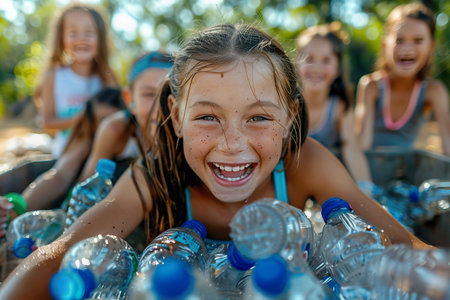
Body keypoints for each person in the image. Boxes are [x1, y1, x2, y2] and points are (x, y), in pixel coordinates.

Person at [0, 24, 432, 300]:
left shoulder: (304, 165)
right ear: (176, 116)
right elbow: (66, 250)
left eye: (259, 117)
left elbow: (400, 242)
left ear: (290, 118)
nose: (232, 144)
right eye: (208, 117)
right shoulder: (156, 177)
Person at [0, 87, 125, 231]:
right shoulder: (85, 143)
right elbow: (58, 176)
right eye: (98, 120)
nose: (103, 127)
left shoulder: (132, 145)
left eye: (109, 120)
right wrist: (17, 209)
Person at [354, 3, 450, 156]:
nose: (407, 49)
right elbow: (361, 147)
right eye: (399, 40)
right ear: (385, 45)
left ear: (431, 46)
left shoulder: (434, 91)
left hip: (405, 173)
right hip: (370, 171)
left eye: (418, 40)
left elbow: (448, 145)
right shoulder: (371, 86)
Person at [34, 3, 118, 158]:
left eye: (89, 32)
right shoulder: (53, 76)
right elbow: (47, 124)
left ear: (100, 37)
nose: (81, 39)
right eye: (73, 33)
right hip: (64, 155)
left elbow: (116, 117)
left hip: (101, 154)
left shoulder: (107, 77)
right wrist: (85, 117)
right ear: (62, 38)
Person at [77, 51, 173, 181]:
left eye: (169, 93)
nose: (159, 106)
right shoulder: (115, 129)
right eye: (149, 94)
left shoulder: (189, 134)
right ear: (129, 100)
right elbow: (87, 184)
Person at [295, 22, 372, 182]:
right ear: (297, 64)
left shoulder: (339, 106)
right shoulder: (288, 105)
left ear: (337, 68)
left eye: (326, 60)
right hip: (295, 178)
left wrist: (366, 188)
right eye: (309, 59)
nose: (316, 68)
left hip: (327, 179)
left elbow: (351, 149)